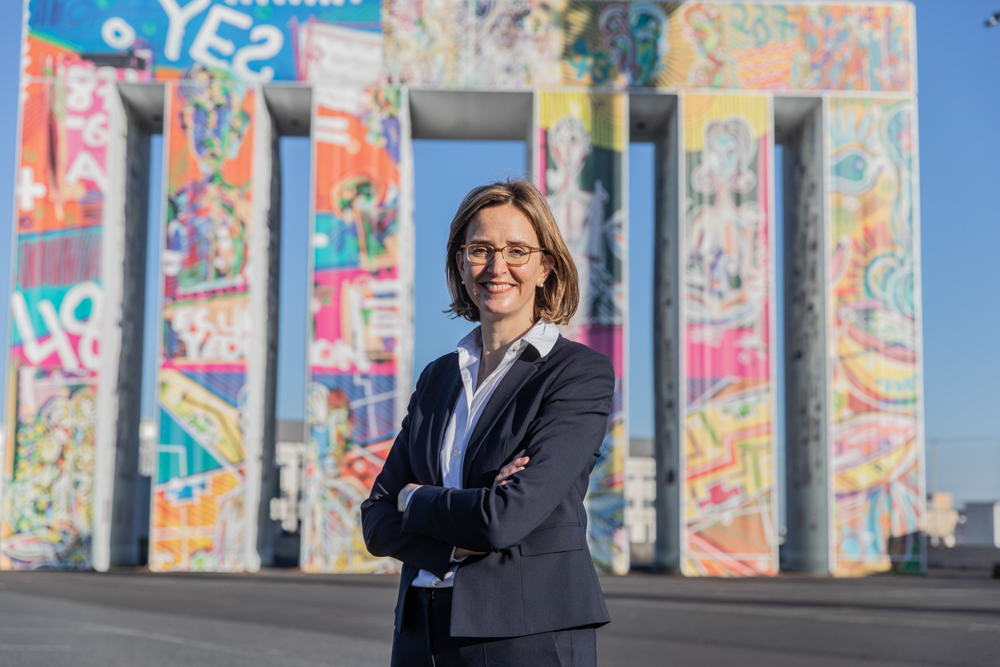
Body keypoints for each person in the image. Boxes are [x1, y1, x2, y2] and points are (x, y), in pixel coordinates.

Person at [361, 179, 614, 666]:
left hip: (524, 637)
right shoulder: (438, 377)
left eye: (518, 250)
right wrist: (453, 541)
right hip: (421, 633)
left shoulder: (578, 374)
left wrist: (415, 498)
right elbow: (376, 518)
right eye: (481, 250)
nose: (498, 267)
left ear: (545, 267)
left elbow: (505, 519)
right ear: (461, 263)